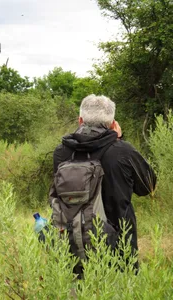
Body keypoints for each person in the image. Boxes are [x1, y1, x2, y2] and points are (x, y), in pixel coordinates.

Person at [51, 95, 156, 269]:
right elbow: (148, 186)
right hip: (119, 250)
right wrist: (119, 140)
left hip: (73, 247)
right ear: (113, 123)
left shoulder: (61, 152)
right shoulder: (122, 151)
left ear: (80, 120)